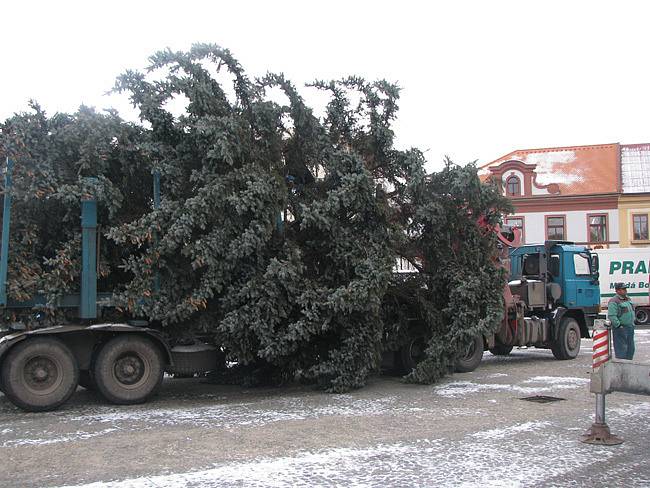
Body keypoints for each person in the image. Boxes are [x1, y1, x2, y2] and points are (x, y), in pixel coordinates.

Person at [607, 282, 635, 360]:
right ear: (617, 290)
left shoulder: (628, 299)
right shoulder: (614, 301)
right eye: (623, 289)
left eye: (625, 288)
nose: (625, 290)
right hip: (621, 328)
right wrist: (619, 326)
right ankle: (621, 369)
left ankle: (628, 366)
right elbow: (612, 315)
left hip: (630, 327)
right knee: (621, 350)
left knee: (631, 349)